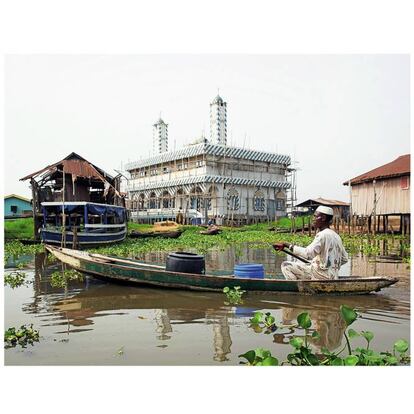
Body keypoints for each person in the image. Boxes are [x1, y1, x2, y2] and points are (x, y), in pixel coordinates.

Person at [273, 206, 348, 280]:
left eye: (315, 216)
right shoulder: (336, 236)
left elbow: (308, 254)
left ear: (323, 218)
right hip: (333, 276)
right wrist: (326, 265)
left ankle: (297, 288)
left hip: (321, 275)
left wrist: (287, 245)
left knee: (286, 265)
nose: (313, 219)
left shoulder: (322, 235)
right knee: (306, 264)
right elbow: (345, 259)